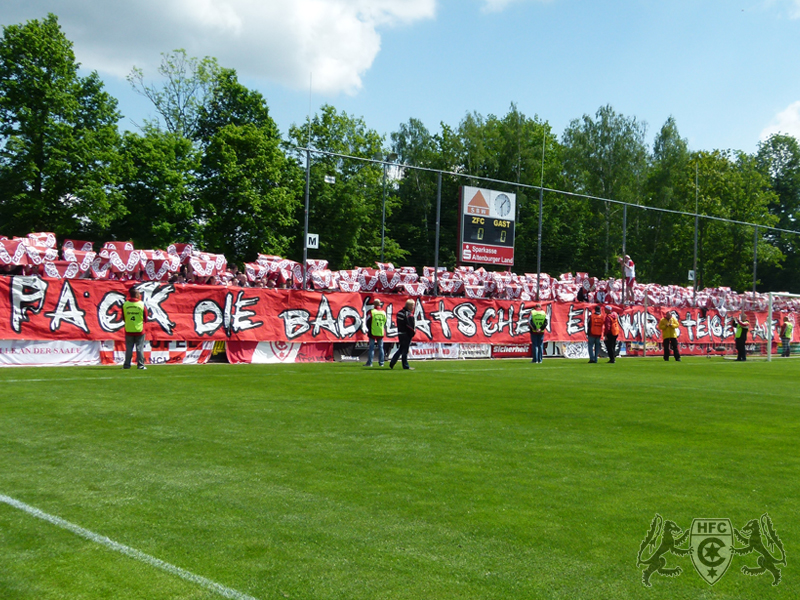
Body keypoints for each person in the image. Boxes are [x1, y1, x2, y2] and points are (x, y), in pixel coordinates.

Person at [122, 288, 147, 370]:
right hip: (139, 329)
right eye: (139, 294)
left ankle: (126, 365)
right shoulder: (141, 304)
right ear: (136, 295)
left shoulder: (125, 305)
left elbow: (123, 317)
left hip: (129, 329)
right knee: (139, 348)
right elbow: (146, 318)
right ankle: (140, 365)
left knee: (129, 348)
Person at [390, 299, 416, 370]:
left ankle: (392, 362)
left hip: (400, 333)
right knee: (404, 350)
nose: (414, 307)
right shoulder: (409, 314)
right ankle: (405, 365)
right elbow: (410, 326)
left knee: (401, 349)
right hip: (406, 334)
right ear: (409, 306)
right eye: (413, 305)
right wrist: (412, 334)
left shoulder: (399, 313)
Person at [364, 299, 387, 367]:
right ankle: (381, 363)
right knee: (381, 348)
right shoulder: (383, 312)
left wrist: (369, 328)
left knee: (371, 347)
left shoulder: (372, 312)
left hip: (372, 331)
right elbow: (385, 321)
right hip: (380, 331)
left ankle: (370, 363)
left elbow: (367, 321)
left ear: (374, 304)